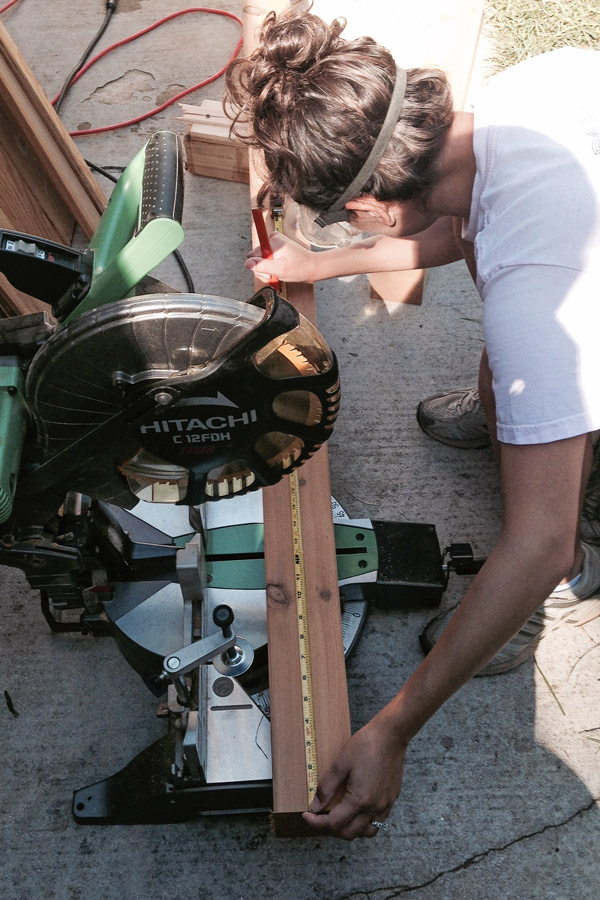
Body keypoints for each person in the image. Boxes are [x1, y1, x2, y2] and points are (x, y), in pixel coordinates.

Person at [225, 7, 600, 841]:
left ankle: (577, 574)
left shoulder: (538, 300)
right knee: (525, 356)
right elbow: (462, 229)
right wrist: (317, 264)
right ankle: (514, 419)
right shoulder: (502, 112)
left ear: (371, 203)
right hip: (569, 259)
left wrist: (391, 728)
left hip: (573, 294)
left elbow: (531, 536)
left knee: (546, 533)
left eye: (340, 220)